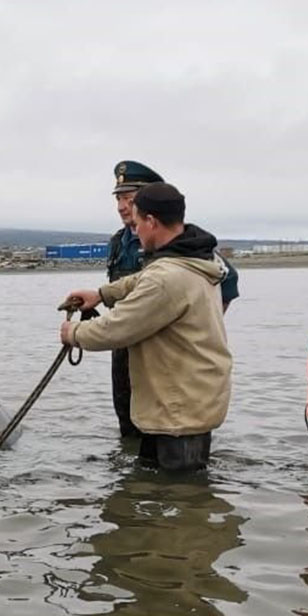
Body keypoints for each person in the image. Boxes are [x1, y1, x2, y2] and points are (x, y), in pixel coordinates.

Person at [62, 182, 232, 472]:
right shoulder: (194, 257)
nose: (135, 229)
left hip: (178, 413)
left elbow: (115, 329)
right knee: (165, 489)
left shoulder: (167, 277)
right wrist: (102, 295)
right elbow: (141, 280)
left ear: (151, 222)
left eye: (138, 222)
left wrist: (73, 333)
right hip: (186, 402)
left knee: (181, 499)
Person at [106, 160, 240, 437]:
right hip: (125, 344)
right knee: (127, 417)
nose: (121, 206)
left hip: (166, 354)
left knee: (171, 424)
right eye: (119, 198)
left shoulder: (181, 242)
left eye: (129, 199)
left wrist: (194, 328)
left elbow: (227, 279)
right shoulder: (118, 243)